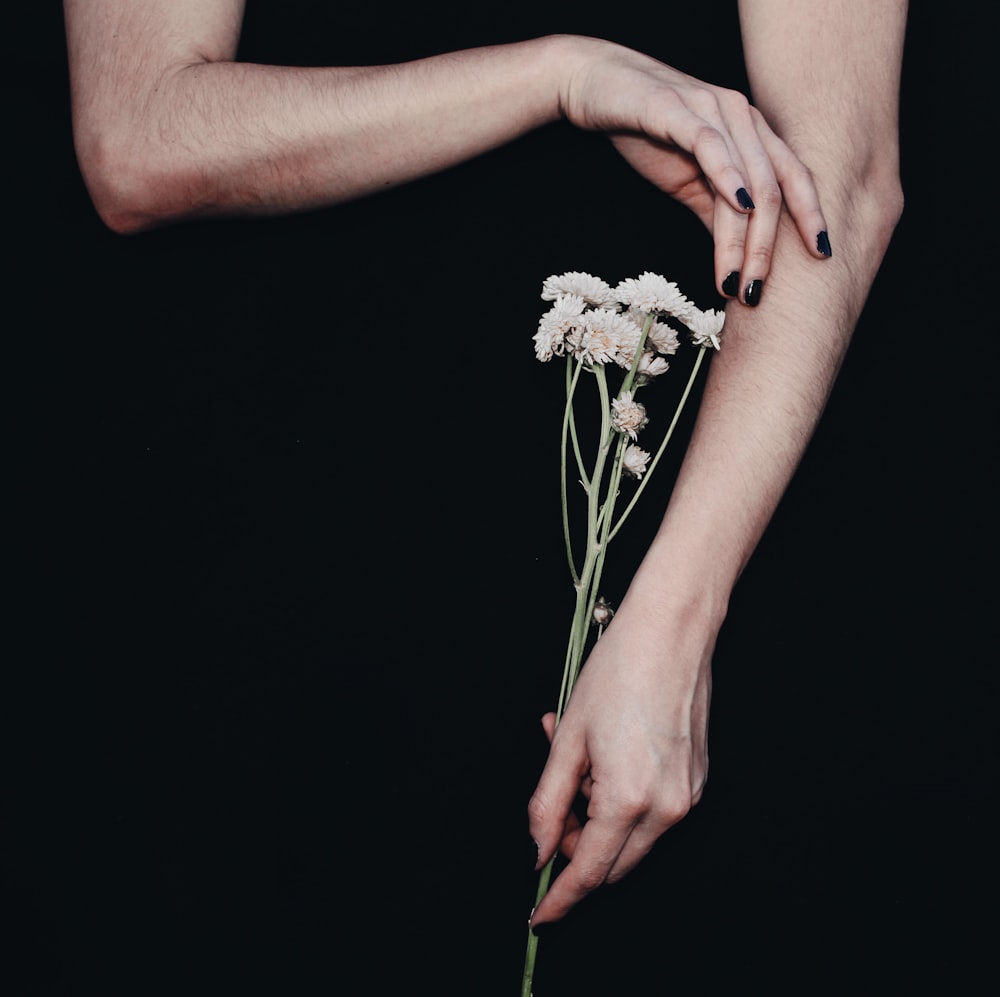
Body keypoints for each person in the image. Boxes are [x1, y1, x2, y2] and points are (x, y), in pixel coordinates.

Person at [62, 0, 907, 930]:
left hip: (681, 556)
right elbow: (136, 138)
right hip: (275, 564)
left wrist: (676, 618)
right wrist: (562, 76)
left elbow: (843, 180)